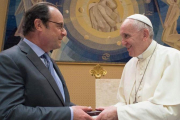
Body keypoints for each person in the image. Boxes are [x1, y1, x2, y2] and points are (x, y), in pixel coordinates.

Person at [0, 2, 93, 120]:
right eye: (59, 26)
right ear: (39, 25)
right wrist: (69, 114)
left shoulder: (48, 60)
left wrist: (80, 111)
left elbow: (55, 104)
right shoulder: (8, 60)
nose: (64, 32)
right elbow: (9, 113)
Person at [95, 14, 180, 120]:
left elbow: (170, 112)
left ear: (144, 34)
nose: (122, 42)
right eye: (122, 37)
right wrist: (111, 110)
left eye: (126, 36)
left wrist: (118, 112)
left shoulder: (173, 58)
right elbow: (125, 103)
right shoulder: (130, 65)